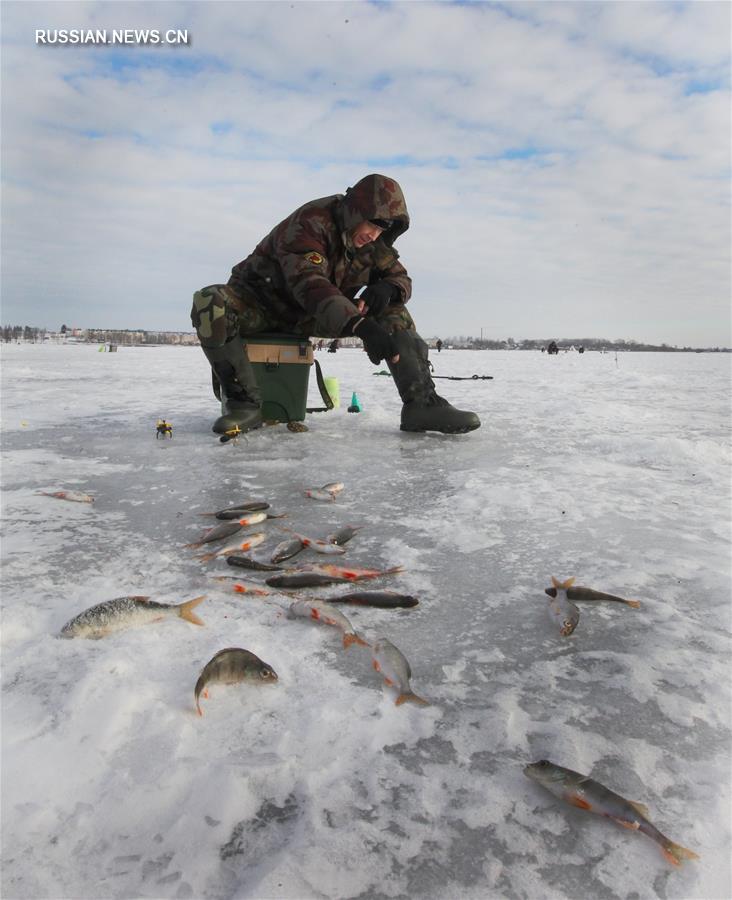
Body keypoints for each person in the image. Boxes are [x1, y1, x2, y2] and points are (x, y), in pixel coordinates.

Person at [191, 173, 480, 436]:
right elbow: (310, 284)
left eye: (384, 228)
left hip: (308, 315)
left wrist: (387, 289)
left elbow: (402, 278)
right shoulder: (311, 222)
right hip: (260, 306)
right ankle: (243, 404)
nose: (375, 235)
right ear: (358, 211)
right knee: (210, 302)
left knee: (394, 311)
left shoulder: (372, 243)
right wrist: (360, 326)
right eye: (374, 224)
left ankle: (422, 404)